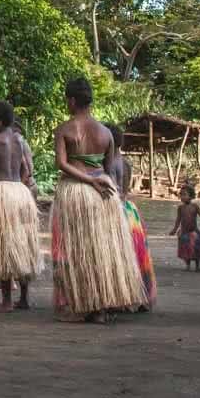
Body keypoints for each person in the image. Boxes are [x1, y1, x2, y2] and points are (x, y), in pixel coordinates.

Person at [51, 79, 148, 322]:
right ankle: (102, 308)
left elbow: (61, 163)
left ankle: (85, 305)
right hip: (104, 193)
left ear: (72, 100)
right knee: (101, 249)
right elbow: (109, 168)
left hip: (76, 192)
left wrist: (87, 180)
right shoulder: (106, 132)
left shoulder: (64, 129)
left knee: (80, 250)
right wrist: (99, 183)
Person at [0, 101, 39, 312]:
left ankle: (7, 301)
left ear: (0, 121)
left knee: (2, 244)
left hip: (0, 193)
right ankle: (25, 298)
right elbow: (27, 170)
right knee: (22, 243)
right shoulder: (20, 139)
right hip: (20, 191)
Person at [108, 123, 156, 311]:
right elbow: (125, 190)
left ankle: (121, 298)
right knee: (136, 256)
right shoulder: (125, 162)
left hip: (115, 211)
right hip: (129, 211)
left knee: (119, 256)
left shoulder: (108, 163)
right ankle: (141, 296)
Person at [171, 184, 200, 271]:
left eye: (184, 195)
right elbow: (178, 220)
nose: (182, 197)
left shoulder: (195, 206)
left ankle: (197, 266)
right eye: (181, 195)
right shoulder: (180, 208)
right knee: (186, 249)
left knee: (197, 248)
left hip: (194, 231)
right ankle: (188, 265)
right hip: (184, 232)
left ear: (191, 196)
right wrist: (174, 229)